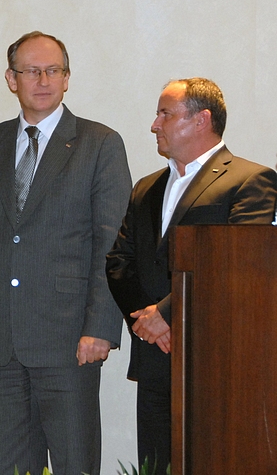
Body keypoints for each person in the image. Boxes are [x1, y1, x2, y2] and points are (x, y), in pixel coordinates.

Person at [0, 31, 132, 475]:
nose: (43, 80)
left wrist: (101, 328)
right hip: (0, 342)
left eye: (53, 70)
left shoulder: (99, 143)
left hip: (70, 343)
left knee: (74, 464)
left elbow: (112, 247)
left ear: (66, 78)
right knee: (8, 468)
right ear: (12, 79)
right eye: (31, 71)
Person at [106, 77, 277, 472]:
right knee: (156, 465)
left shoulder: (250, 181)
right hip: (154, 358)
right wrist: (148, 320)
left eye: (165, 114)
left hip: (214, 360)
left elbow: (238, 267)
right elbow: (118, 262)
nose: (154, 124)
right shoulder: (146, 187)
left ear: (201, 120)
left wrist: (167, 314)